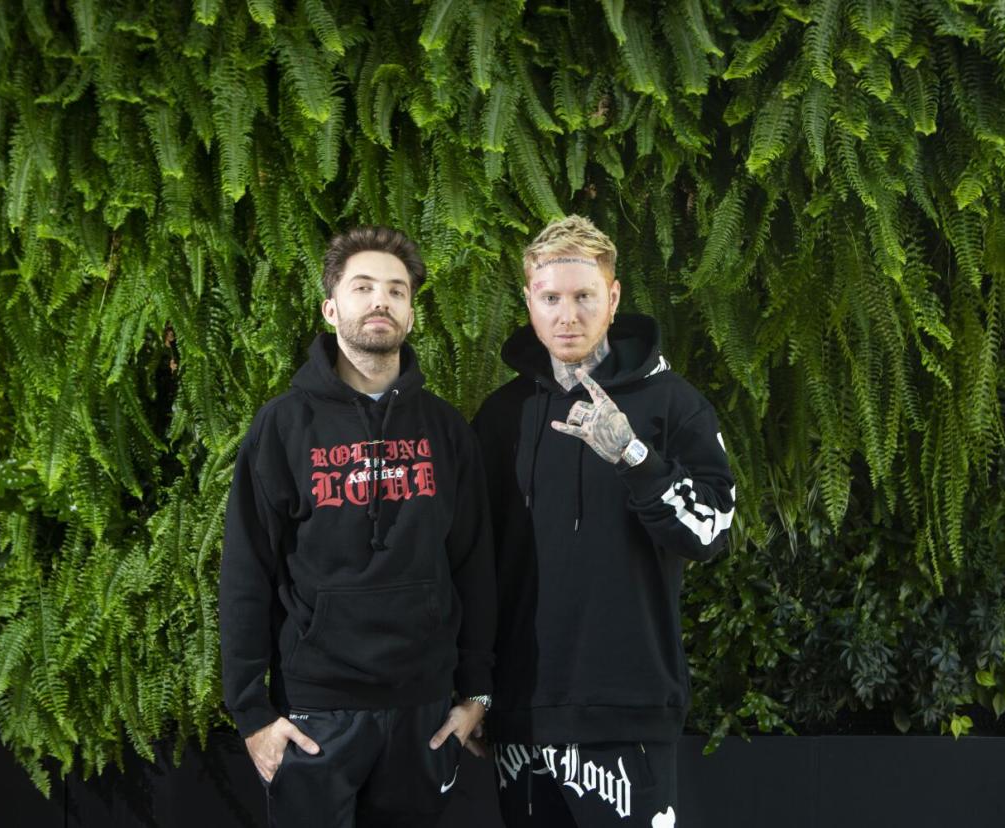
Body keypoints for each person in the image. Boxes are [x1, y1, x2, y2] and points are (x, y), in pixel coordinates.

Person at [219, 225, 496, 827]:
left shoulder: (446, 430)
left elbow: (474, 564)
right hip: (317, 712)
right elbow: (246, 573)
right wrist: (253, 716)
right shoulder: (283, 427)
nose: (380, 302)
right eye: (363, 286)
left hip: (422, 709)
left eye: (397, 291)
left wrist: (476, 693)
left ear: (412, 314)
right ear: (331, 307)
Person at [472, 215, 737, 827]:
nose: (568, 315)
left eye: (585, 296)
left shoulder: (672, 402)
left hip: (629, 709)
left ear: (613, 299)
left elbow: (711, 531)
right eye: (552, 298)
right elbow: (472, 562)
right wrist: (478, 689)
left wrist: (635, 457)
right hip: (524, 713)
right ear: (530, 302)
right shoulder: (502, 415)